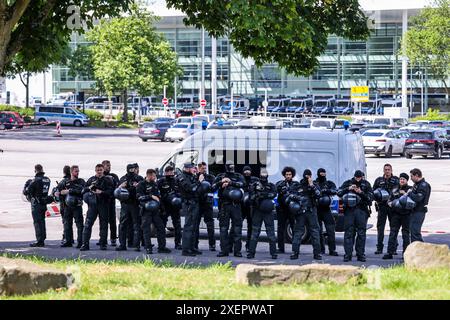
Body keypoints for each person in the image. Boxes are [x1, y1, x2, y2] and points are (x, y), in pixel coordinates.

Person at [338, 170, 374, 262]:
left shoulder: (366, 184)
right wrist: (348, 188)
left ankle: (360, 254)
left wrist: (360, 192)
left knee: (361, 233)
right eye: (356, 177)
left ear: (362, 177)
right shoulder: (348, 183)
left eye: (359, 177)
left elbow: (370, 198)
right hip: (349, 211)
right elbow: (339, 192)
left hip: (361, 210)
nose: (358, 179)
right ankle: (348, 254)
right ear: (354, 176)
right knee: (349, 233)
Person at [212, 160, 245, 258]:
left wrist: (231, 182)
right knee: (223, 229)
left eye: (232, 166)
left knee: (237, 228)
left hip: (236, 206)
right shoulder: (220, 176)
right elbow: (212, 187)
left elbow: (243, 184)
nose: (231, 168)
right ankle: (224, 251)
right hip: (224, 206)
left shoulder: (238, 176)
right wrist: (220, 182)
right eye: (229, 166)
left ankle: (237, 251)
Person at [289, 169, 322, 260]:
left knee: (315, 232)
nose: (307, 177)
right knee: (298, 232)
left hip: (312, 212)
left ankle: (317, 253)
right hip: (301, 212)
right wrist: (299, 198)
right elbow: (290, 194)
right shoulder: (298, 185)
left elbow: (319, 195)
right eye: (306, 175)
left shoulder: (314, 185)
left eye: (309, 175)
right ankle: (295, 252)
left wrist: (312, 186)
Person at [80, 164, 114, 251]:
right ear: (95, 170)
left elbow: (111, 192)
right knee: (88, 224)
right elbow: (83, 191)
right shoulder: (91, 179)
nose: (99, 172)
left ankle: (103, 244)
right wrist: (89, 188)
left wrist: (101, 192)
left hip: (103, 205)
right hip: (92, 205)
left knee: (104, 225)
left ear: (103, 170)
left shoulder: (108, 180)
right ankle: (85, 244)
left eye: (101, 170)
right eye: (98, 170)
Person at [137, 169, 171, 255]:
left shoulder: (155, 184)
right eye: (153, 176)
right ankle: (148, 247)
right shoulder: (141, 184)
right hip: (146, 210)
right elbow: (139, 197)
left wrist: (162, 209)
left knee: (161, 228)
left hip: (156, 211)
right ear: (148, 175)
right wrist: (150, 196)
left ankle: (162, 247)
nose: (154, 177)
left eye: (155, 176)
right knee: (146, 229)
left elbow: (159, 197)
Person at [247, 169, 278, 259]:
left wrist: (262, 194)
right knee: (255, 232)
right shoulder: (254, 185)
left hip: (268, 212)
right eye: (262, 175)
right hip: (257, 211)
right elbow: (251, 198)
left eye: (265, 175)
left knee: (271, 233)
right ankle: (251, 253)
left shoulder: (271, 185)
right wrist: (257, 196)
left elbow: (273, 194)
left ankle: (273, 253)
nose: (263, 177)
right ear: (260, 175)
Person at [55, 165, 85, 248]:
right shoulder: (65, 181)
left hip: (77, 205)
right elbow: (57, 190)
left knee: (79, 224)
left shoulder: (81, 181)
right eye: (76, 171)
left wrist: (69, 191)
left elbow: (82, 190)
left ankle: (80, 242)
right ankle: (68, 241)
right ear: (71, 172)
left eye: (78, 171)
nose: (77, 173)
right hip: (67, 206)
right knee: (67, 223)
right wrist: (57, 193)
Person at [383, 173, 412, 260]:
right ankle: (389, 252)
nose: (402, 181)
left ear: (407, 180)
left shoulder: (410, 189)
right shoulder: (395, 188)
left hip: (406, 215)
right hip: (396, 214)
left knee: (405, 235)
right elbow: (389, 199)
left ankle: (405, 254)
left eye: (403, 179)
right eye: (400, 179)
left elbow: (413, 201)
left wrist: (405, 194)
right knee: (393, 233)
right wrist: (390, 203)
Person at [176, 162, 202, 256]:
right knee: (188, 227)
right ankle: (186, 250)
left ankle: (192, 247)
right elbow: (191, 189)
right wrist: (199, 181)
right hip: (188, 204)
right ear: (187, 168)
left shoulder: (191, 176)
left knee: (194, 227)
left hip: (194, 203)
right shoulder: (182, 177)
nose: (194, 169)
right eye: (192, 168)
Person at [116, 164, 144, 251]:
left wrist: (137, 186)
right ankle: (122, 244)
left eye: (133, 169)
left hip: (135, 204)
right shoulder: (123, 178)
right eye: (130, 169)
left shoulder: (139, 178)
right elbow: (117, 191)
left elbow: (143, 189)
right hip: (125, 204)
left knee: (136, 225)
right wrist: (122, 186)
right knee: (123, 225)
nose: (132, 171)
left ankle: (136, 245)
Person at [373, 164, 399, 255]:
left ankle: (393, 248)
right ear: (383, 170)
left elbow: (399, 192)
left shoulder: (396, 180)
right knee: (380, 228)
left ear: (391, 170)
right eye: (385, 169)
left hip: (392, 208)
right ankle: (379, 248)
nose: (387, 171)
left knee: (393, 228)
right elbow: (373, 192)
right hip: (382, 207)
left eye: (388, 169)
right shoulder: (379, 180)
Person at [23, 164, 51, 247]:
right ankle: (42, 238)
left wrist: (26, 184)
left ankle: (40, 241)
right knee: (42, 221)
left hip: (36, 204)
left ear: (35, 170)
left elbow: (26, 192)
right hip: (44, 203)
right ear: (42, 170)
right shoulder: (47, 179)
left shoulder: (35, 180)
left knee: (37, 222)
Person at [315, 168, 339, 256]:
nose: (322, 175)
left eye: (324, 173)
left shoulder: (329, 183)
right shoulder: (314, 183)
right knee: (318, 231)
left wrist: (326, 191)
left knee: (330, 230)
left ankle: (332, 250)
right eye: (321, 173)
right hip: (317, 209)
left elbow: (335, 190)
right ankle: (321, 250)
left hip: (326, 209)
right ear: (318, 174)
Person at [158, 166, 182, 250]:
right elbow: (158, 194)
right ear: (165, 173)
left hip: (175, 207)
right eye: (169, 172)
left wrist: (177, 196)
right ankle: (162, 244)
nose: (171, 173)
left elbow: (181, 192)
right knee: (162, 225)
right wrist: (161, 206)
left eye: (172, 172)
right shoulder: (161, 181)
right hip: (165, 206)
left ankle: (178, 243)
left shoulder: (176, 180)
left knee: (177, 225)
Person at [275, 167, 299, 254]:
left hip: (292, 209)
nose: (288, 176)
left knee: (294, 228)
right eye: (287, 174)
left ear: (292, 175)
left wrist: (290, 192)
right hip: (281, 209)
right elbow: (274, 190)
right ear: (284, 175)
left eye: (290, 174)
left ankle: (295, 248)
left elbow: (299, 193)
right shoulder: (280, 183)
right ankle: (280, 248)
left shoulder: (296, 184)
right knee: (280, 229)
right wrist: (281, 190)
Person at [194, 162, 216, 251]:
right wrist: (199, 181)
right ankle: (195, 244)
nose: (204, 170)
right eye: (202, 168)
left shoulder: (210, 177)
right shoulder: (195, 177)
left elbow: (213, 188)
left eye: (205, 168)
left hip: (207, 203)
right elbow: (193, 189)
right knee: (196, 224)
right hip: (198, 203)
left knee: (210, 224)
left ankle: (212, 244)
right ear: (198, 169)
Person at [408, 168, 431, 243]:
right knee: (413, 232)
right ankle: (417, 250)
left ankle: (421, 251)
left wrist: (410, 193)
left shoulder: (423, 185)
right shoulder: (417, 184)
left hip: (419, 211)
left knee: (415, 232)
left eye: (411, 176)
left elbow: (418, 198)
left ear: (416, 175)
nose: (410, 178)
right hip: (415, 211)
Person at [241, 166, 259, 252]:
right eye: (245, 171)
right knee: (236, 226)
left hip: (251, 207)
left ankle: (249, 245)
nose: (247, 172)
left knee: (251, 227)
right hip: (241, 207)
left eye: (248, 170)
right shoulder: (240, 179)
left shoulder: (255, 180)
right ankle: (232, 246)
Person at [102, 160, 120, 246]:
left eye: (110, 165)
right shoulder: (100, 176)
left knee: (112, 221)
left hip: (111, 201)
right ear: (103, 166)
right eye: (107, 165)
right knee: (103, 221)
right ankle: (103, 239)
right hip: (102, 202)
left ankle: (113, 238)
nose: (109, 167)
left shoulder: (114, 176)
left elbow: (117, 186)